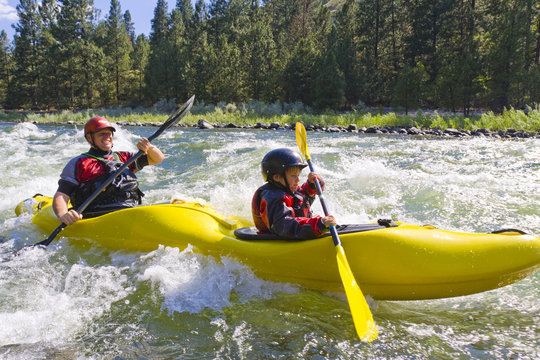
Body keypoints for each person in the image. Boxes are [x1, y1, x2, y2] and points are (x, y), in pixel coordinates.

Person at [53, 117, 165, 225]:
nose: (107, 137)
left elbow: (158, 158)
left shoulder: (124, 157)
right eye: (102, 134)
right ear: (89, 138)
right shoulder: (79, 163)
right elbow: (62, 195)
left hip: (126, 212)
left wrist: (149, 148)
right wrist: (63, 215)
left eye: (109, 133)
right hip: (95, 217)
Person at [251, 148, 337, 240]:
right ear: (277, 177)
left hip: (299, 231)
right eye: (293, 176)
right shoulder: (273, 197)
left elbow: (303, 198)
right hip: (279, 238)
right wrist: (318, 224)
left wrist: (312, 185)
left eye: (298, 175)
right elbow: (284, 225)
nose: (298, 180)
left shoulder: (288, 188)